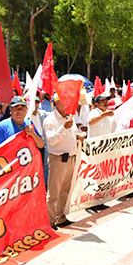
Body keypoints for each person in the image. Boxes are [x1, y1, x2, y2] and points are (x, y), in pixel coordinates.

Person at [43, 94, 81, 228]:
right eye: (63, 101)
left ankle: (60, 216)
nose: (67, 103)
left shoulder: (69, 117)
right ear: (56, 103)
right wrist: (64, 127)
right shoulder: (50, 120)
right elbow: (51, 141)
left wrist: (78, 137)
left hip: (70, 157)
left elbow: (72, 134)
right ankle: (50, 220)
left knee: (65, 190)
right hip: (58, 159)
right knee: (54, 192)